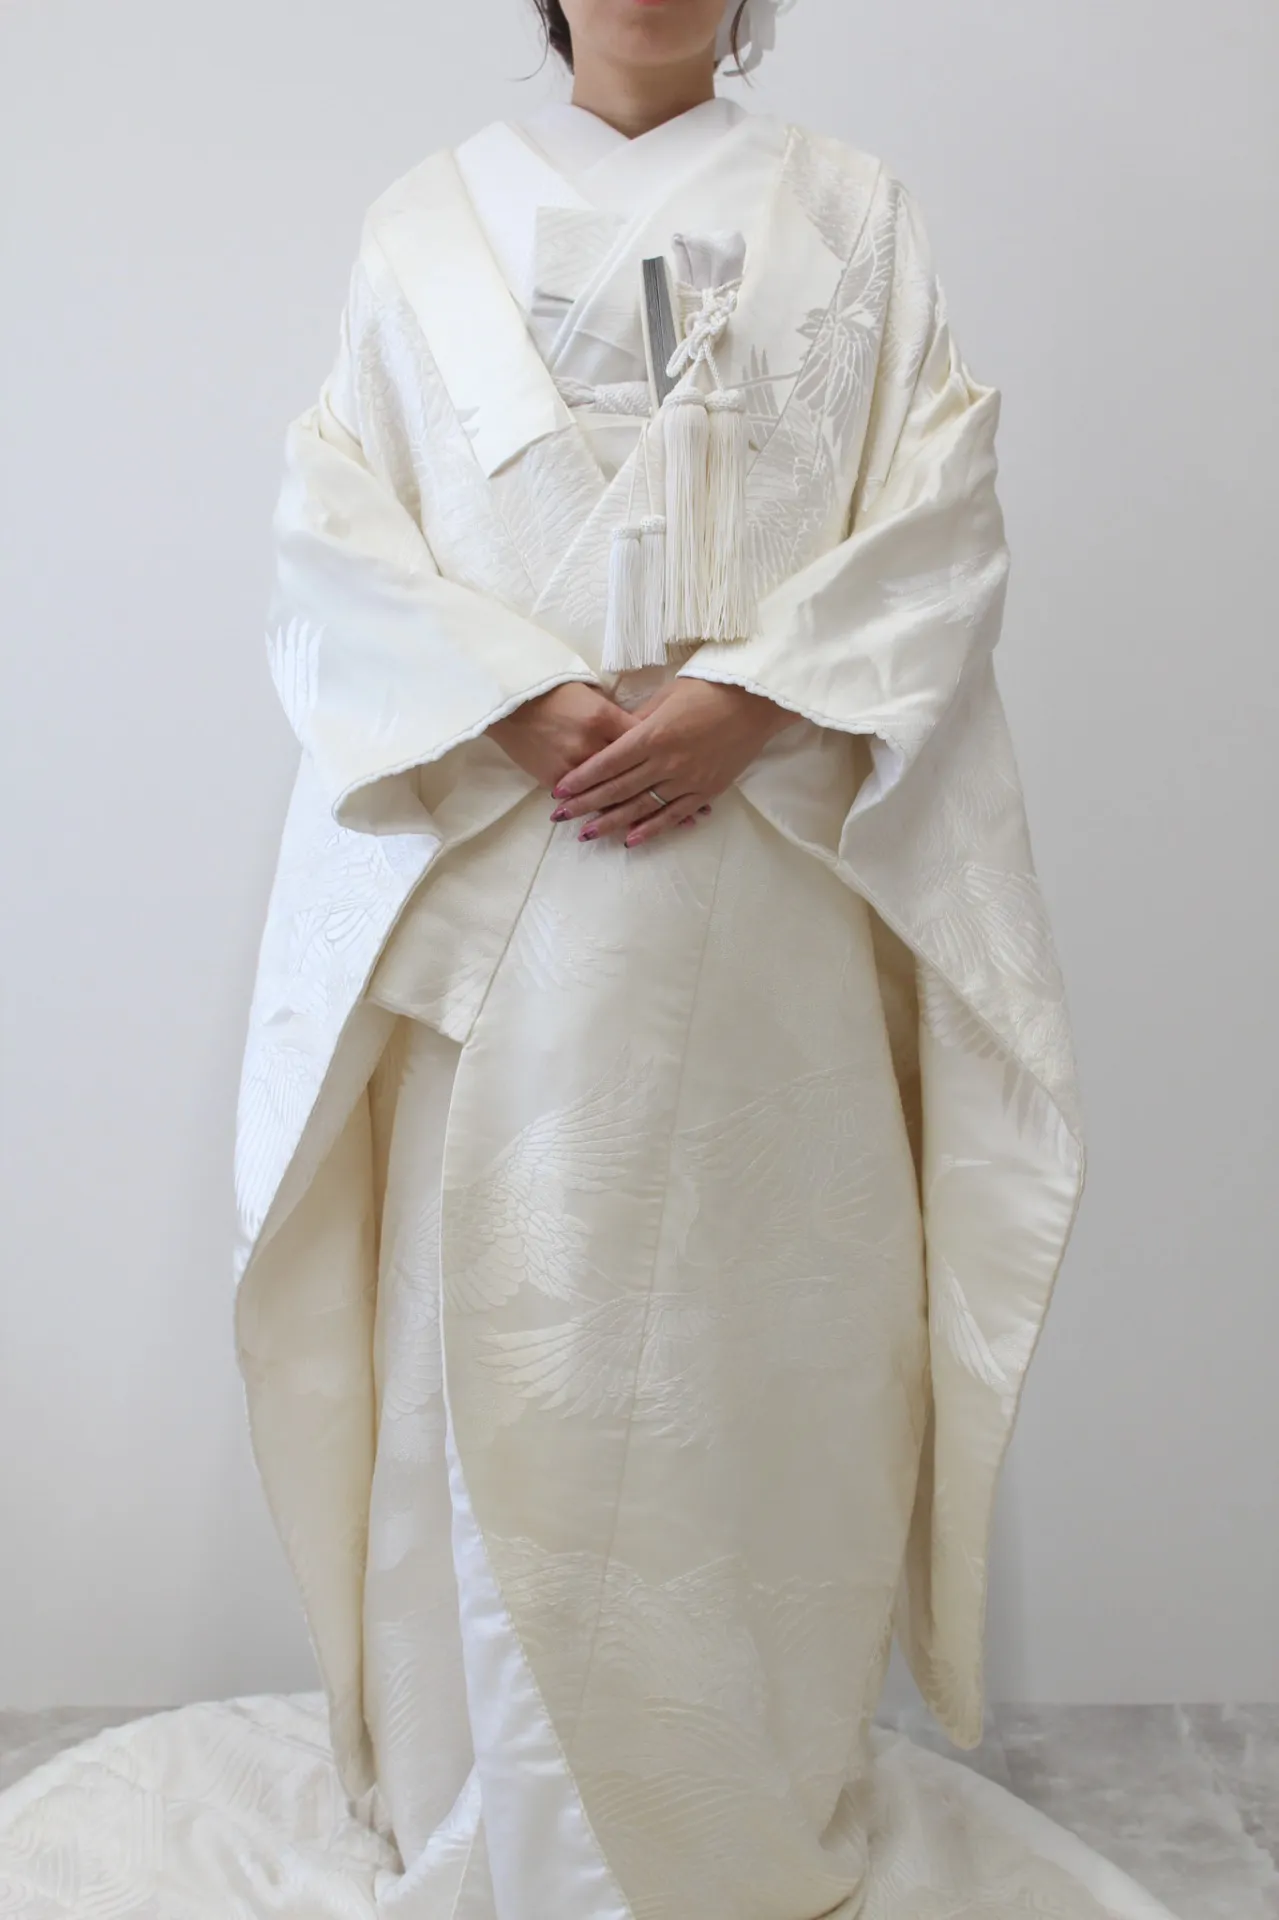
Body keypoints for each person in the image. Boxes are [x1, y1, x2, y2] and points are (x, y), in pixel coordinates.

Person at [0, 1, 1179, 1913]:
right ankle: (496, 1801)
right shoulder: (420, 229)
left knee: (761, 1336)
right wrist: (506, 694)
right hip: (520, 880)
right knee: (506, 1317)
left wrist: (750, 699)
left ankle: (739, 1810)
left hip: (765, 889)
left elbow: (937, 512)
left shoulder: (855, 216)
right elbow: (335, 530)